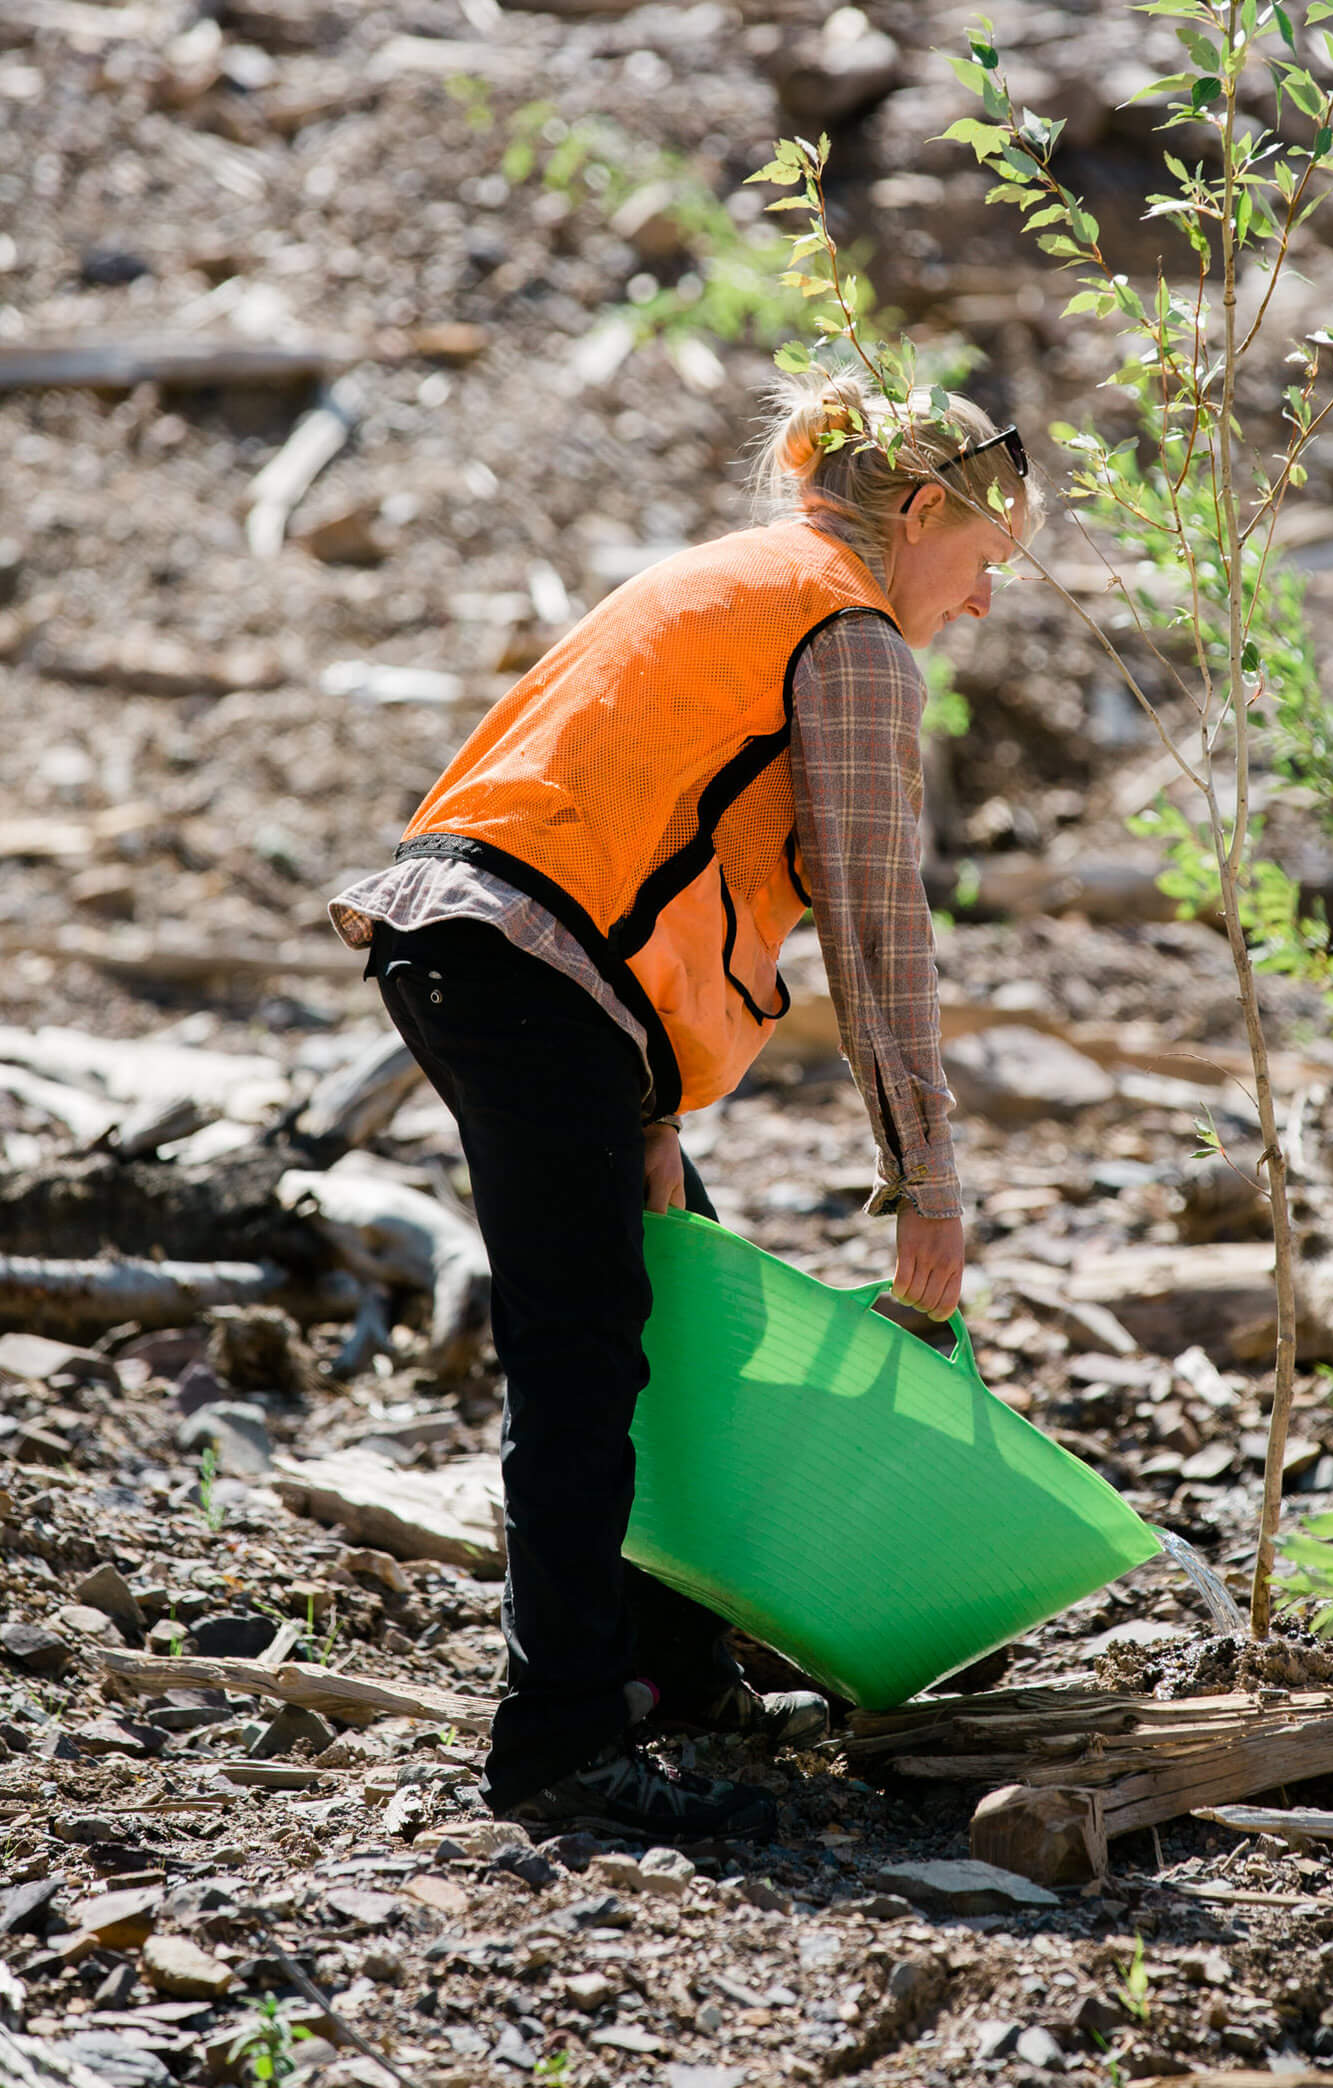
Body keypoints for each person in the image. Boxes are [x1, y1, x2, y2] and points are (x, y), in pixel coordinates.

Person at [327, 375, 1034, 1841]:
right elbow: (875, 922)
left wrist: (647, 1106)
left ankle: (677, 1677)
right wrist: (929, 1180)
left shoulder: (732, 577)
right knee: (582, 1353)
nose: (978, 605)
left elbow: (627, 830)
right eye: (983, 563)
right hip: (523, 972)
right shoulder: (846, 630)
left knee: (678, 1308)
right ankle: (563, 1746)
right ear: (916, 516)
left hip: (486, 950)